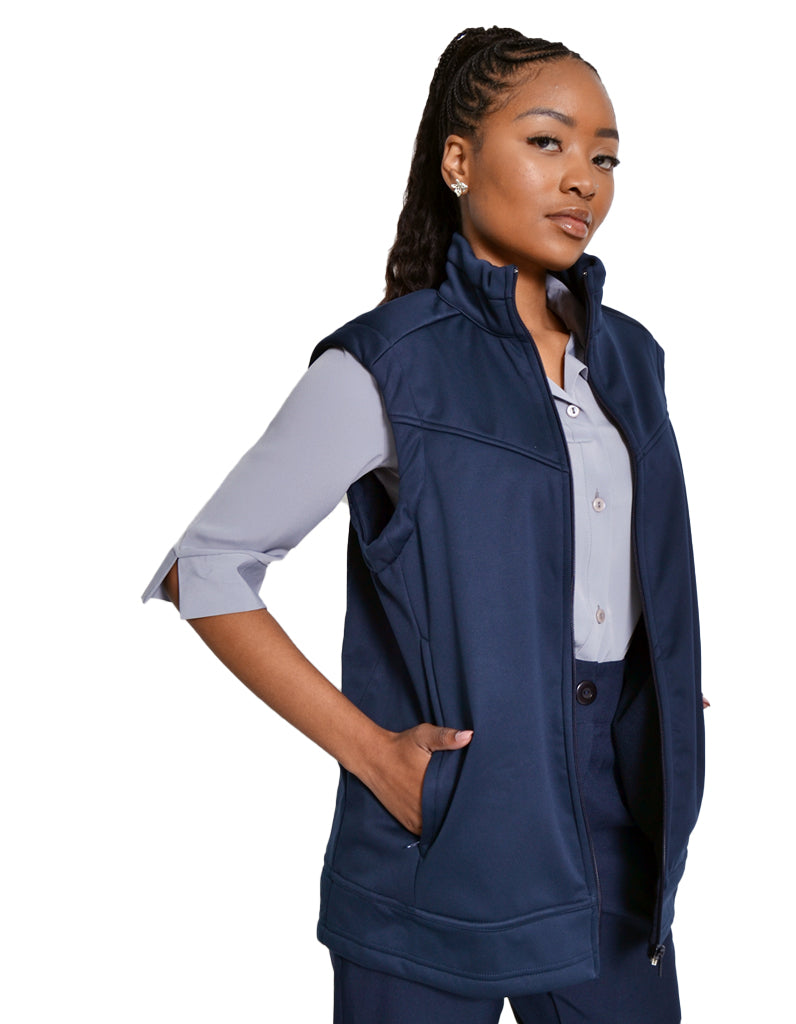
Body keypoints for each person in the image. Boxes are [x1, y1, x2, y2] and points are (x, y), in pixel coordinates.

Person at [144, 26, 706, 1024]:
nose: (583, 178)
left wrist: (654, 691)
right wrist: (375, 756)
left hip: (616, 830)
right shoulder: (387, 364)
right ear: (459, 160)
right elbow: (209, 565)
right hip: (438, 838)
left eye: (605, 156)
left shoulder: (632, 359)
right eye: (547, 142)